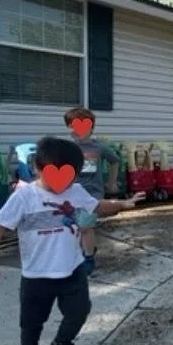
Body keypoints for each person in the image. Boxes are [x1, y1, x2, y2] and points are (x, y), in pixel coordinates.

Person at [0, 136, 144, 345]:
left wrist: (123, 204)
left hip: (72, 269)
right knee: (32, 320)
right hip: (36, 275)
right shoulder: (24, 197)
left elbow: (96, 206)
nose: (62, 182)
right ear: (37, 168)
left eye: (69, 175)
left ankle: (62, 343)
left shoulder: (75, 191)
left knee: (79, 311)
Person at [64, 107, 121, 277]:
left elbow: (115, 161)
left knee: (85, 226)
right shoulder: (67, 148)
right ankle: (84, 251)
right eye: (72, 125)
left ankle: (88, 258)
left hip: (93, 194)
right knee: (73, 227)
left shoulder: (99, 147)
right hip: (71, 194)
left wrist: (111, 183)